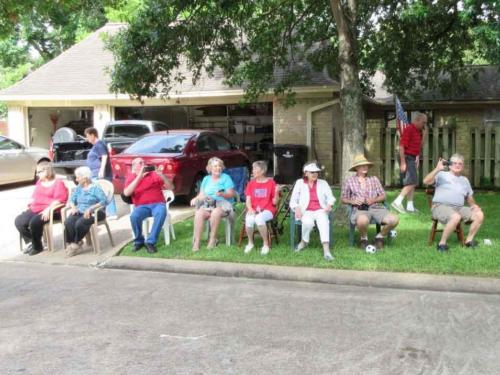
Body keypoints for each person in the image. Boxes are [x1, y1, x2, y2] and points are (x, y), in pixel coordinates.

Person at [423, 154, 484, 252]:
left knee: (479, 214)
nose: (457, 165)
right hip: (440, 206)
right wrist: (437, 169)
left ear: (463, 167)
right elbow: (426, 181)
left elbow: (469, 198)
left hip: (459, 208)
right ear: (449, 165)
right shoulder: (441, 175)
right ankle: (442, 244)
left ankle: (468, 241)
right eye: (454, 163)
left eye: (460, 164)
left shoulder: (465, 180)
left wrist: (474, 206)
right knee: (455, 217)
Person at [341, 154, 399, 249]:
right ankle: (364, 239)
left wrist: (374, 200)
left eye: (366, 165)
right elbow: (343, 199)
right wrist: (353, 201)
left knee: (394, 219)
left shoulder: (374, 179)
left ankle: (379, 237)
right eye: (361, 165)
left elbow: (383, 196)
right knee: (362, 221)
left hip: (376, 207)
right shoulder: (349, 181)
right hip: (360, 209)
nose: (365, 167)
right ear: (356, 168)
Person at [15, 162, 68, 256]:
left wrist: (48, 209)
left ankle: (37, 247)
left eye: (39, 172)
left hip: (52, 210)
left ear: (47, 171)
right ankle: (32, 242)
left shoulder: (58, 182)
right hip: (36, 208)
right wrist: (30, 205)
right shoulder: (40, 182)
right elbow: (35, 196)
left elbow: (60, 199)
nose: (37, 174)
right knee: (19, 221)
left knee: (34, 223)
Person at [123, 158, 174, 253]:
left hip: (157, 204)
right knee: (134, 216)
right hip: (142, 206)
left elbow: (171, 187)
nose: (144, 164)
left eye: (144, 162)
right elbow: (126, 193)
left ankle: (150, 242)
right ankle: (139, 241)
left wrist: (161, 175)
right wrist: (140, 176)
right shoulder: (131, 177)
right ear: (134, 166)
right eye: (140, 163)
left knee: (161, 211)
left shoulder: (154, 175)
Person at [289, 161, 335, 261]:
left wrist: (329, 205)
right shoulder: (299, 183)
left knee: (324, 222)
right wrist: (297, 208)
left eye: (316, 172)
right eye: (312, 172)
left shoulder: (323, 183)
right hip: (305, 211)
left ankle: (326, 251)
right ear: (306, 173)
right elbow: (293, 200)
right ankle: (304, 242)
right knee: (308, 223)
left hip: (320, 210)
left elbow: (331, 197)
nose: (315, 174)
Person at [190, 157, 236, 252]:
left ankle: (212, 239)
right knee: (199, 213)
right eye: (215, 166)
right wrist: (196, 198)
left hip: (223, 204)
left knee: (215, 212)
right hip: (208, 204)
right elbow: (202, 194)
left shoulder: (226, 178)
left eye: (219, 166)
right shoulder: (206, 179)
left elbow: (232, 194)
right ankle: (197, 242)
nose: (218, 168)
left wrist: (223, 194)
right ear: (210, 168)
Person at [64, 166, 107, 257]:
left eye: (78, 177)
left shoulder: (95, 188)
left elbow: (104, 201)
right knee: (68, 222)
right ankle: (76, 242)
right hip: (80, 211)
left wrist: (91, 208)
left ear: (85, 178)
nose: (76, 179)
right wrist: (73, 207)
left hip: (96, 212)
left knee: (80, 223)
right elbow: (71, 199)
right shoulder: (79, 188)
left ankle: (75, 244)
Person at [391, 112, 428, 214]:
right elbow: (402, 146)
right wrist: (403, 162)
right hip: (406, 157)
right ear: (417, 120)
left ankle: (410, 206)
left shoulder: (417, 131)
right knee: (412, 181)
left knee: (411, 182)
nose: (424, 125)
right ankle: (397, 202)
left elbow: (419, 147)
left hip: (412, 157)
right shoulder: (409, 129)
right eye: (423, 122)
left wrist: (424, 135)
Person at [243, 161, 279, 255]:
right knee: (249, 219)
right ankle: (250, 243)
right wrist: (250, 209)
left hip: (268, 210)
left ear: (262, 171)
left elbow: (275, 202)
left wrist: (276, 192)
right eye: (253, 168)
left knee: (259, 218)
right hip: (254, 209)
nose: (253, 171)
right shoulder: (251, 183)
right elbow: (248, 200)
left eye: (255, 169)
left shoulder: (271, 183)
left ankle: (265, 244)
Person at [84, 127, 117, 219]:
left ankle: (111, 212)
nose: (87, 139)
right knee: (100, 192)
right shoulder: (97, 145)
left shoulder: (99, 144)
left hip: (101, 173)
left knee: (106, 191)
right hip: (96, 173)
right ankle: (104, 212)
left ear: (92, 135)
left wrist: (101, 170)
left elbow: (104, 156)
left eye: (87, 136)